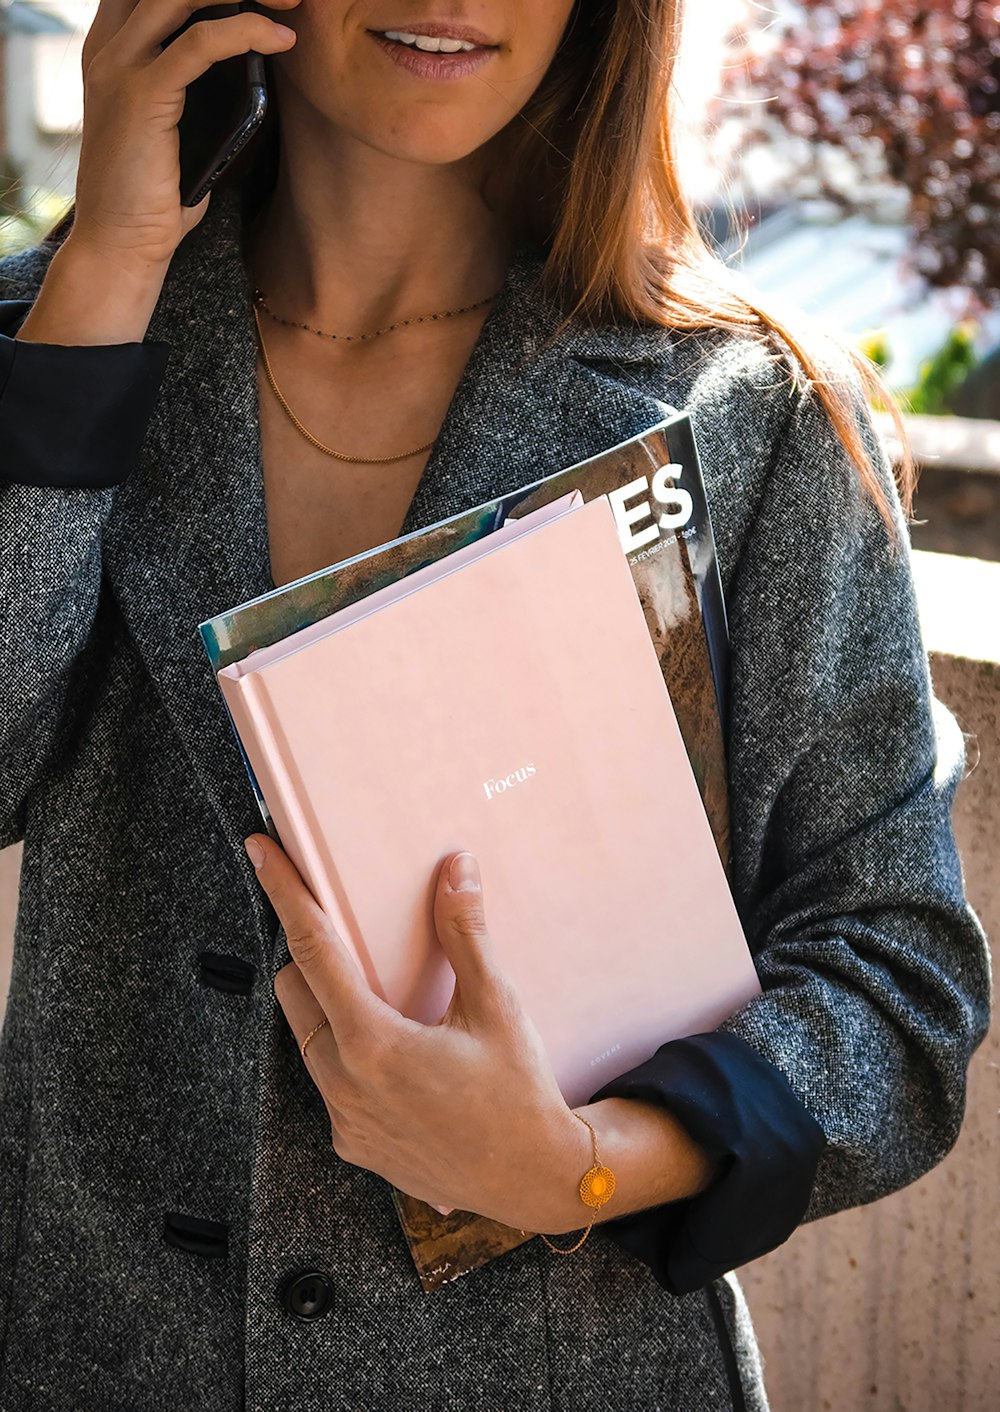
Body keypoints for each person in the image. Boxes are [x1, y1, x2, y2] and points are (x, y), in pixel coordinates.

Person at [0, 1, 989, 1408]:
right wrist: (108, 261)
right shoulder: (62, 335)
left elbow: (899, 987)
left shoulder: (753, 413)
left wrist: (582, 1163)